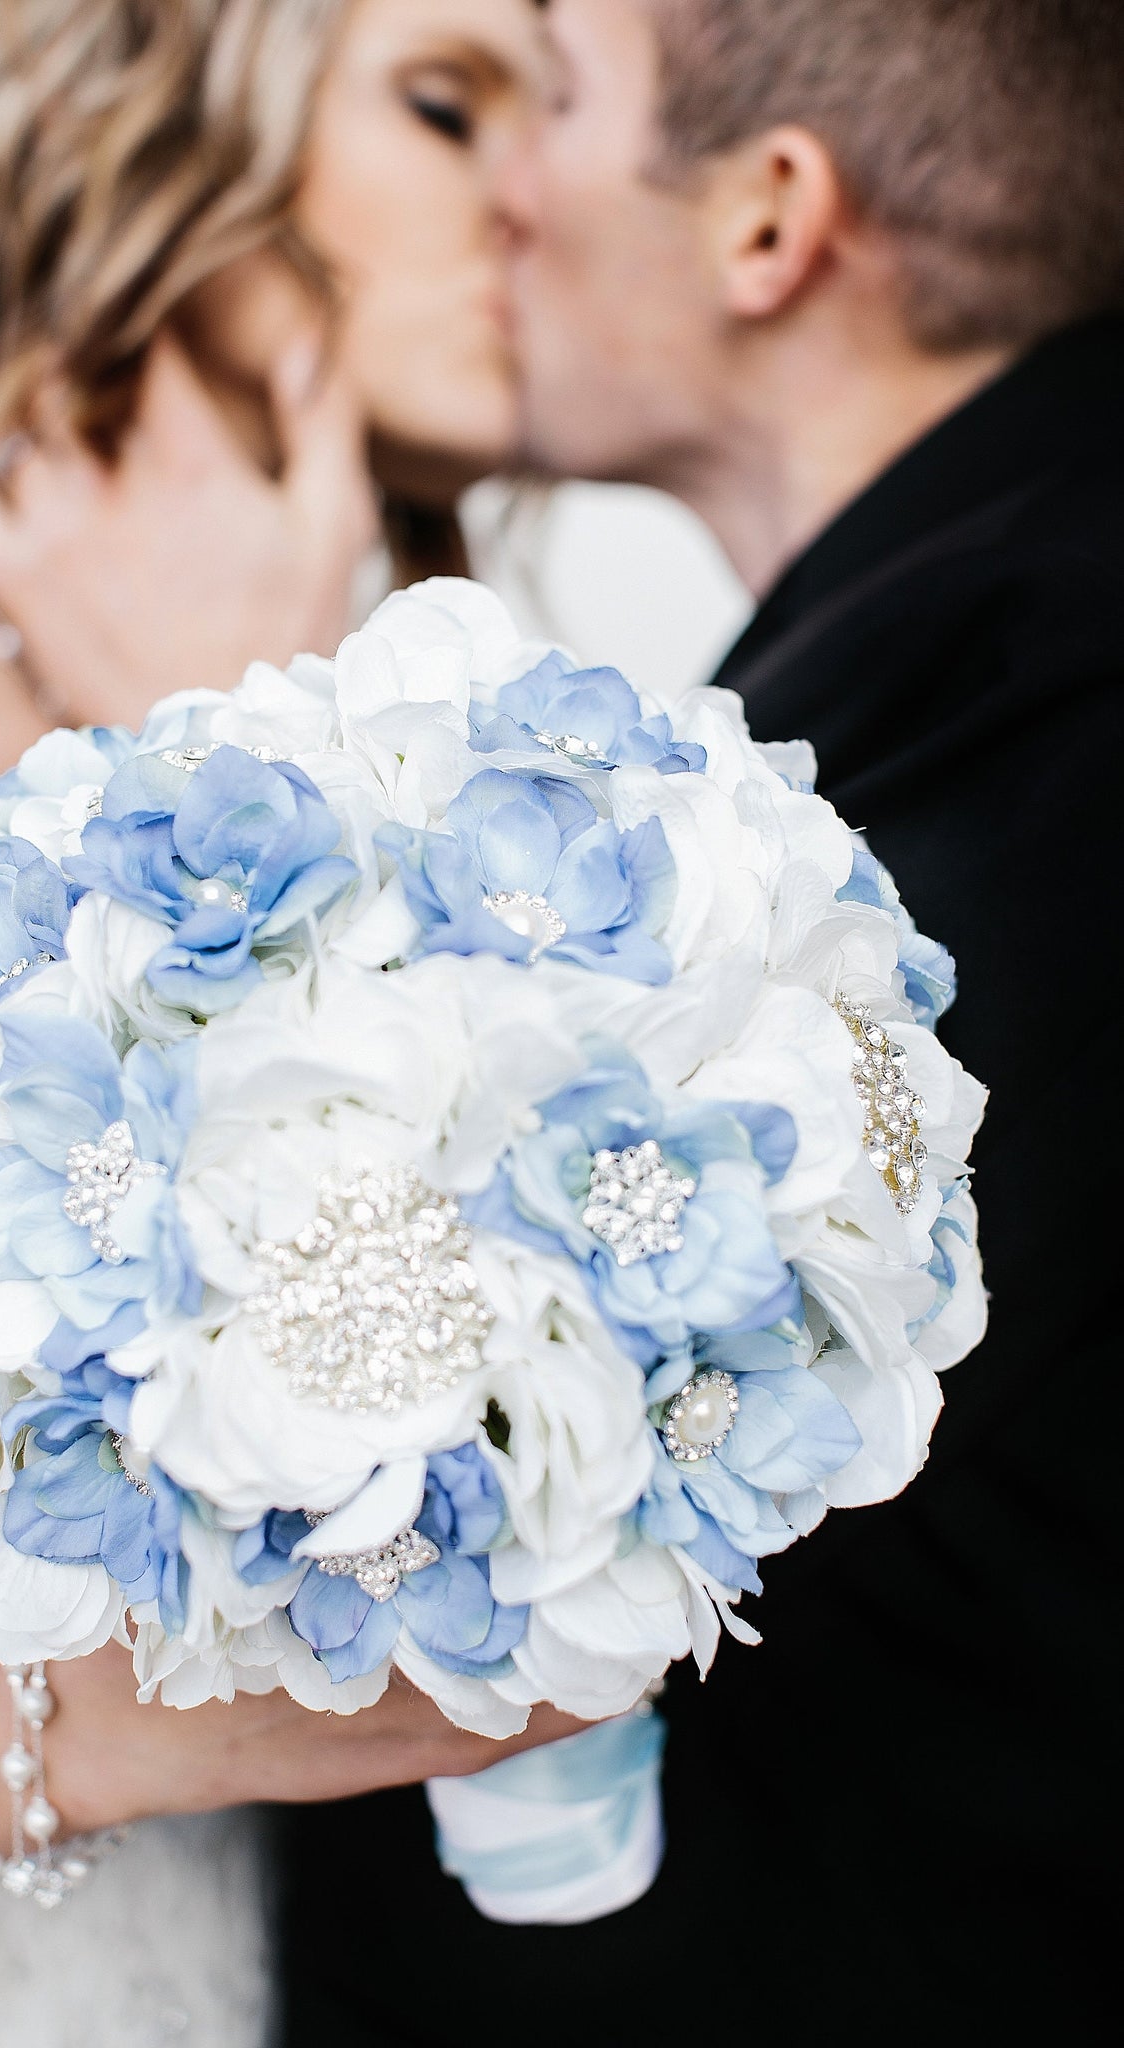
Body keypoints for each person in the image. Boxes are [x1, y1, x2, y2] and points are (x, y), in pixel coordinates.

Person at [277, 1, 1124, 2040]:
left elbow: (565, 1515)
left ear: (765, 222)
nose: (499, 186)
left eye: (550, 105)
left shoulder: (1041, 719)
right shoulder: (984, 628)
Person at [0, 2, 580, 2039]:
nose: (538, 194)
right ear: (163, 98)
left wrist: (246, 753)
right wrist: (114, 1729)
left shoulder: (495, 765)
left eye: (556, 117)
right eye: (446, 103)